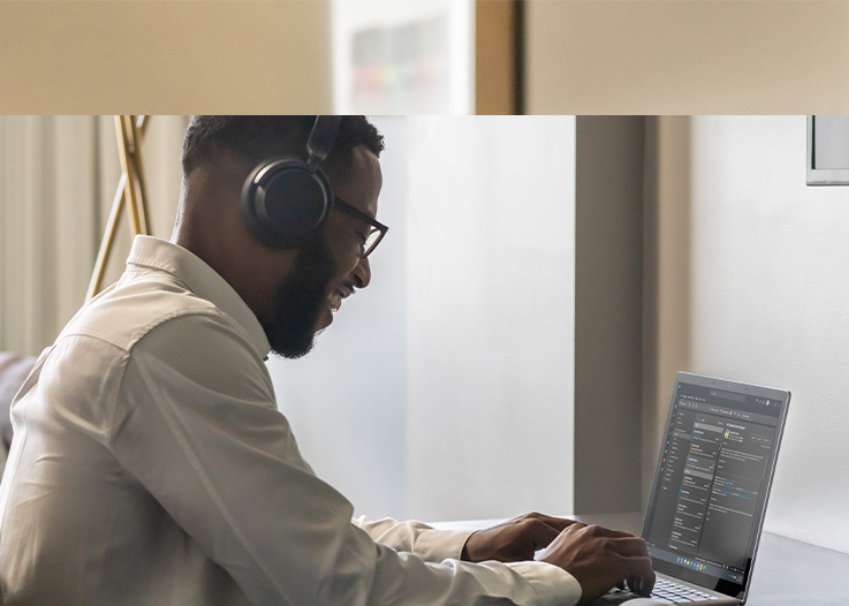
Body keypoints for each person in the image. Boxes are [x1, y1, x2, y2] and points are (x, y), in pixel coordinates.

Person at [0, 116, 655, 605]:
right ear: (283, 205)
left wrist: (465, 546)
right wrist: (554, 580)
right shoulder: (171, 341)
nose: (362, 273)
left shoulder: (146, 321)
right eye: (359, 229)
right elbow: (335, 588)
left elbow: (294, 535)